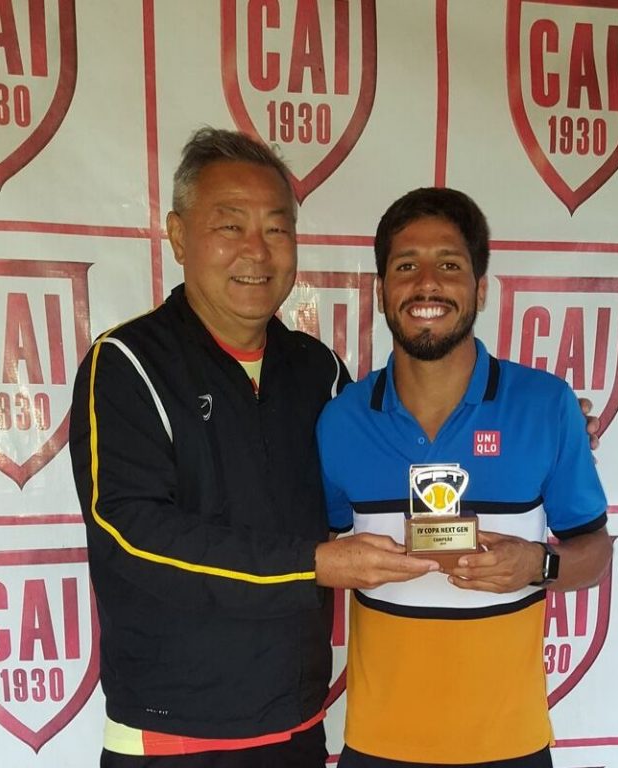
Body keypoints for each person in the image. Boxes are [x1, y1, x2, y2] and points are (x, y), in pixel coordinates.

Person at [69, 128, 436, 768]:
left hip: (297, 726)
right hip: (174, 739)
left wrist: (533, 430)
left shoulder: (316, 369)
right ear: (178, 236)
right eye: (230, 226)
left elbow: (389, 468)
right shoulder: (128, 363)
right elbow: (132, 533)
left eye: (276, 228)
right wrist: (312, 565)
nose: (257, 251)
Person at [316, 187, 613, 768]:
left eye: (449, 265)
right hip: (378, 744)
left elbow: (595, 553)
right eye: (406, 267)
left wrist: (538, 565)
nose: (427, 284)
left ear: (480, 289)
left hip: (510, 745)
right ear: (380, 291)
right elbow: (317, 555)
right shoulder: (341, 421)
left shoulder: (546, 406)